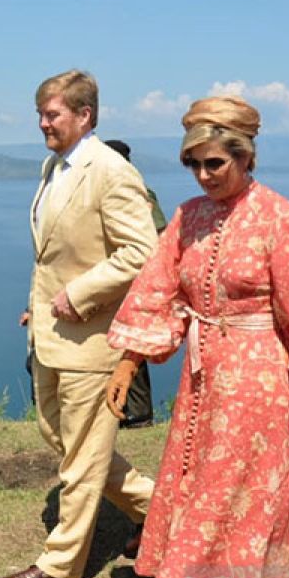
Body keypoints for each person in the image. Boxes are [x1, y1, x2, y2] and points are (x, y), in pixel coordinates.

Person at [105, 96, 289, 578]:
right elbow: (158, 289)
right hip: (201, 392)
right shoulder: (188, 216)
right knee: (197, 504)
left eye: (214, 163)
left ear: (246, 158)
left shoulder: (277, 215)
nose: (203, 175)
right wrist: (129, 361)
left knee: (250, 510)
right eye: (193, 164)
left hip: (260, 391)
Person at [0, 70, 157, 578]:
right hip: (49, 332)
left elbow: (143, 253)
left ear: (85, 115)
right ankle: (162, 512)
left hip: (91, 339)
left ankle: (61, 565)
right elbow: (52, 257)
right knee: (63, 439)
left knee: (83, 455)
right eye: (41, 114)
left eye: (52, 114)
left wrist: (81, 294)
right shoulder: (53, 167)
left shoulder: (109, 170)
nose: (42, 122)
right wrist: (37, 307)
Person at [104, 138, 164, 429]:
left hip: (133, 281)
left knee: (130, 347)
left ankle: (138, 415)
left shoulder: (138, 192)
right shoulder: (126, 188)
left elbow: (158, 234)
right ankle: (118, 409)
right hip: (116, 278)